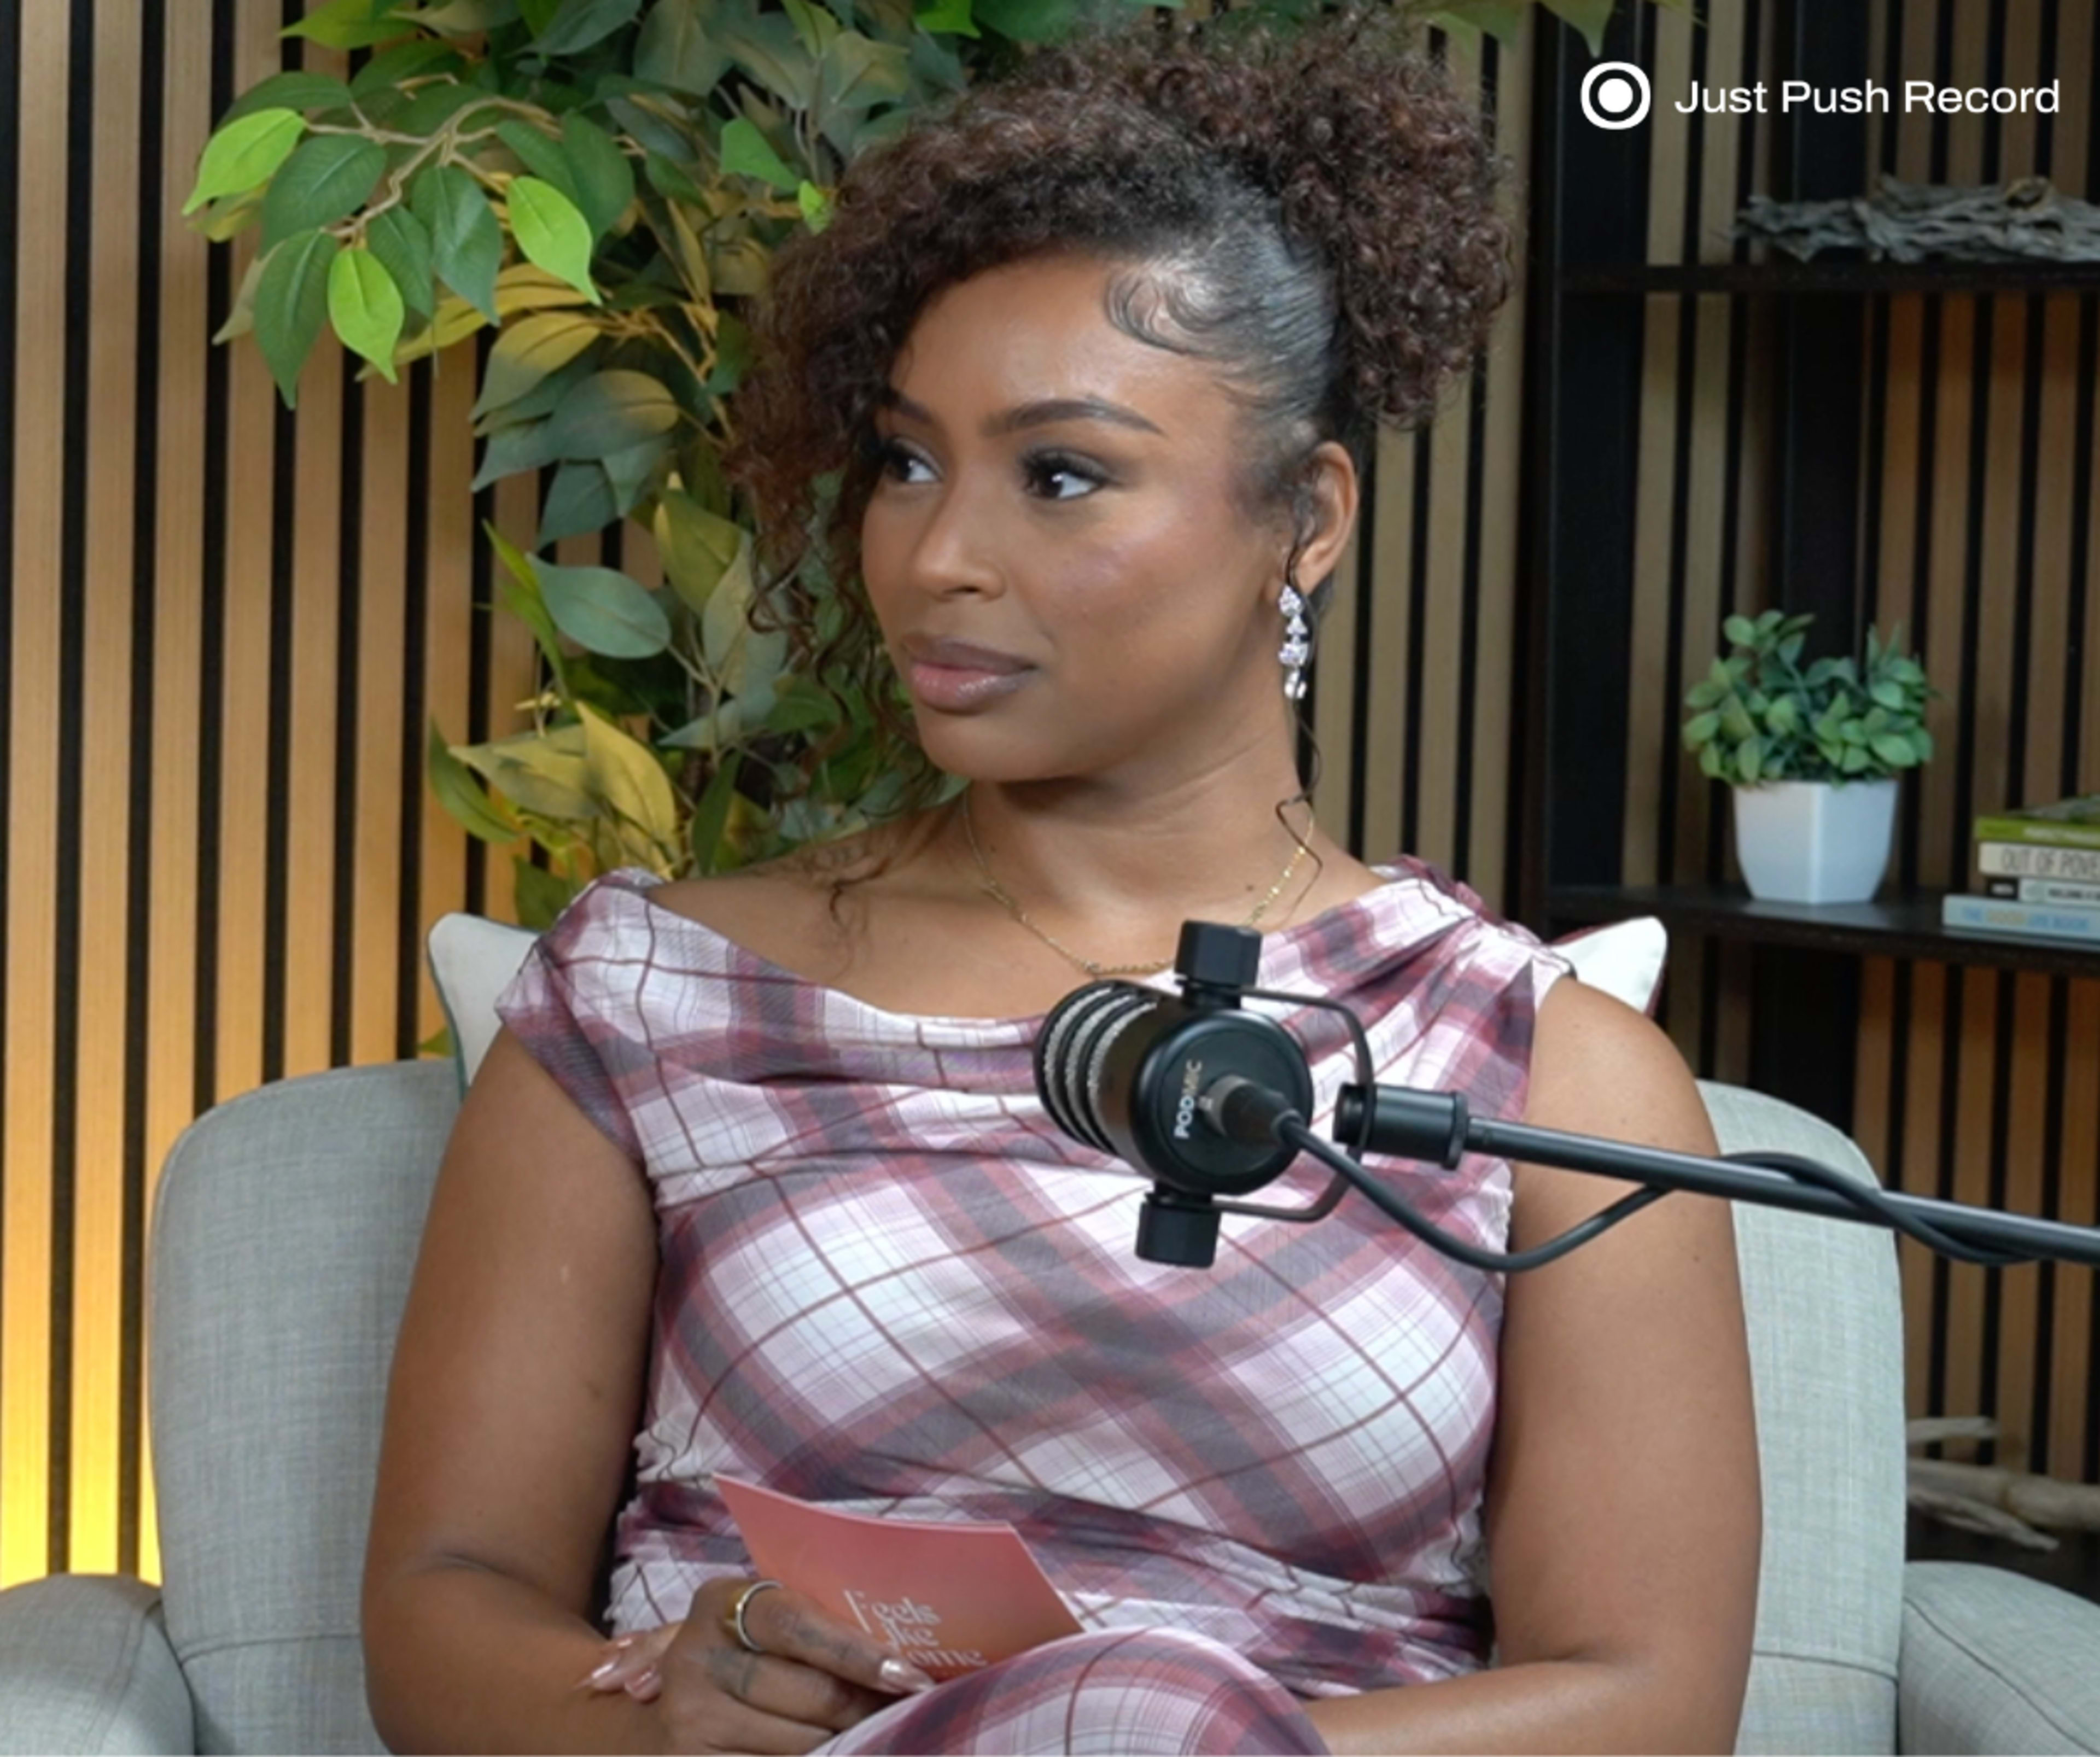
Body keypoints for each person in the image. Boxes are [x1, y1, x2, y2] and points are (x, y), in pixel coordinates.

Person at [360, 4, 1761, 1752]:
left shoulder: (1544, 1078)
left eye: (1064, 473)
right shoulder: (653, 996)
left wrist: (1143, 1732)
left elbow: (1650, 1705)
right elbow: (442, 1604)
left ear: (1306, 519)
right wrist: (649, 1718)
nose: (939, 555)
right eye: (904, 461)